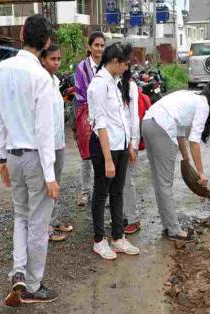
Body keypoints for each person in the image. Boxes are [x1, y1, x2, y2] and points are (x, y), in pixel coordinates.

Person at [0, 14, 59, 306]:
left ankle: (18, 270)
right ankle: (32, 285)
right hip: (35, 158)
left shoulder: (1, 70)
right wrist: (50, 175)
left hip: (14, 158)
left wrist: (1, 158)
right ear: (45, 43)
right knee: (39, 222)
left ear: (21, 33)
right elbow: (44, 131)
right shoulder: (41, 76)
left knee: (21, 216)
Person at [142, 86, 210, 242]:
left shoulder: (190, 96)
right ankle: (174, 230)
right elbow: (194, 141)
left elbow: (180, 133)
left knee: (159, 182)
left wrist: (185, 159)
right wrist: (201, 173)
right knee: (165, 183)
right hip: (162, 127)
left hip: (148, 123)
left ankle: (168, 226)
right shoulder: (203, 104)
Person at [87, 43, 140, 260]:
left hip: (120, 145)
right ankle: (99, 240)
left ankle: (117, 237)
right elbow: (100, 123)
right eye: (125, 64)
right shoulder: (98, 85)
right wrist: (108, 159)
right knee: (101, 193)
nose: (127, 68)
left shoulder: (116, 83)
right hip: (104, 147)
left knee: (117, 191)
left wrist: (129, 143)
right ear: (115, 62)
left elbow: (122, 118)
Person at [40, 44, 74, 242]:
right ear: (44, 60)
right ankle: (46, 228)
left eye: (59, 59)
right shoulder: (41, 81)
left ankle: (53, 219)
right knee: (47, 185)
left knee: (56, 184)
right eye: (53, 59)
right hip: (46, 144)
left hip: (58, 142)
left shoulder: (55, 80)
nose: (56, 62)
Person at [74, 31, 105, 207]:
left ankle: (102, 193)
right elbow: (81, 94)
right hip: (85, 114)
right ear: (90, 47)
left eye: (102, 45)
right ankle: (85, 192)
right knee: (86, 155)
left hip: (105, 116)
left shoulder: (108, 65)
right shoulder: (82, 68)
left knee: (104, 153)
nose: (99, 49)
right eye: (96, 45)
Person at [118, 63, 141, 235]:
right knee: (116, 182)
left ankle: (133, 218)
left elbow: (134, 116)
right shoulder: (109, 83)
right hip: (113, 140)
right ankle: (124, 216)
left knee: (126, 181)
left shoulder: (130, 85)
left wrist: (133, 144)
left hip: (126, 140)